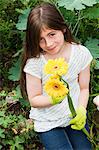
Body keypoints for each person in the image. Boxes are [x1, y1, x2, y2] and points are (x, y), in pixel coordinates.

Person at [20, 2, 93, 150]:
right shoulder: (35, 63)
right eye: (41, 39)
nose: (48, 43)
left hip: (73, 116)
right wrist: (53, 99)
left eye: (52, 34)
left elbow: (84, 88)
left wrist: (81, 110)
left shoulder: (81, 53)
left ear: (63, 28)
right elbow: (34, 99)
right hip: (48, 122)